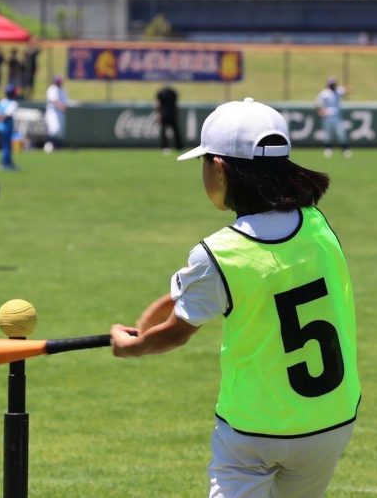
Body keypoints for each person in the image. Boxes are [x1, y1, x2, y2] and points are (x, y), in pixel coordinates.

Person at [110, 97, 360, 498]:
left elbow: (174, 334)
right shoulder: (317, 224)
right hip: (332, 421)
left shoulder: (221, 252)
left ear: (221, 169)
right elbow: (223, 285)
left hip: (255, 432)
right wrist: (159, 311)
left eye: (204, 162)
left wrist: (132, 347)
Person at [315, 76, 352, 158]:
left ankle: (345, 149)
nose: (333, 85)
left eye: (334, 84)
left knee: (341, 133)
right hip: (327, 117)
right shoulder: (324, 93)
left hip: (337, 117)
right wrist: (321, 111)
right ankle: (328, 149)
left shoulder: (338, 91)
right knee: (328, 134)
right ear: (328, 84)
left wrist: (348, 88)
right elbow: (317, 103)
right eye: (331, 83)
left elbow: (348, 90)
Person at [0, 84, 19, 171]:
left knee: (6, 146)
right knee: (6, 147)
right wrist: (1, 118)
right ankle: (4, 164)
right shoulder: (13, 103)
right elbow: (7, 115)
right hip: (6, 128)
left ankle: (9, 163)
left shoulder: (2, 101)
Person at [155, 83, 183, 154]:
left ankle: (175, 147)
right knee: (167, 131)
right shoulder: (171, 93)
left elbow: (158, 104)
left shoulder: (164, 93)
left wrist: (158, 113)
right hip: (168, 114)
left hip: (167, 114)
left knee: (170, 131)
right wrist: (158, 113)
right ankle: (175, 147)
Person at [44, 75, 69, 153]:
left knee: (60, 132)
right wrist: (61, 106)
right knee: (54, 129)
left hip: (61, 112)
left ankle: (58, 147)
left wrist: (64, 107)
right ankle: (50, 145)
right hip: (53, 112)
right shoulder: (52, 89)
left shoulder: (63, 90)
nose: (59, 83)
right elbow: (55, 101)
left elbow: (65, 102)